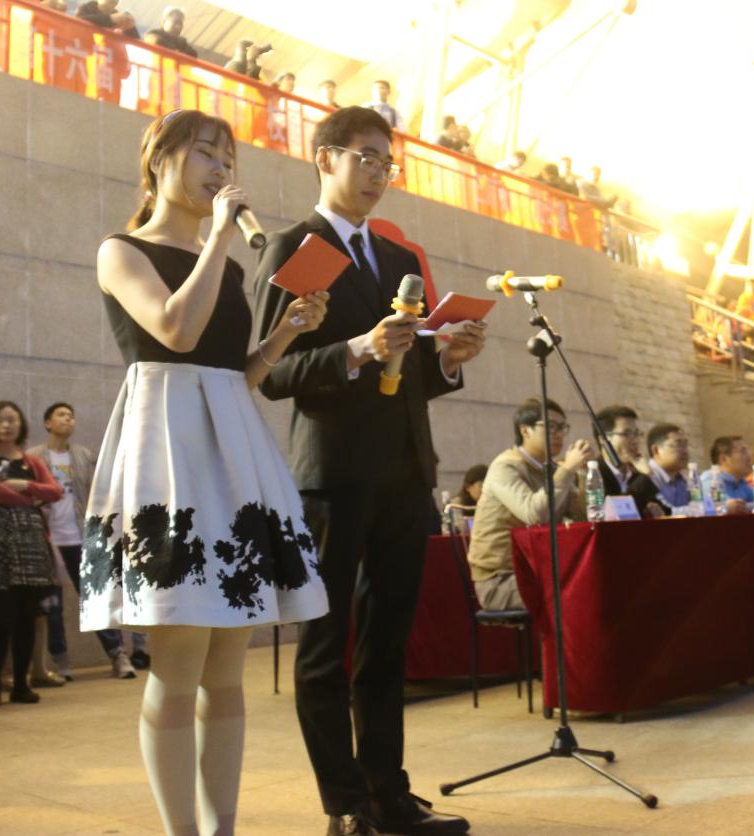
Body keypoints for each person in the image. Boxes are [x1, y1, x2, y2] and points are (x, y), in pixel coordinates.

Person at [83, 108, 330, 836]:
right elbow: (174, 330)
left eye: (228, 159)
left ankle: (222, 826)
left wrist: (283, 334)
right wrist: (219, 235)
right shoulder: (121, 251)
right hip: (169, 458)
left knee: (227, 668)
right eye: (205, 154)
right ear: (159, 159)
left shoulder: (224, 262)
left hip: (230, 455)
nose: (221, 170)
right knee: (179, 658)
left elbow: (232, 375)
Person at [253, 106, 486, 835]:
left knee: (388, 646)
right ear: (324, 158)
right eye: (366, 157)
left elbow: (409, 371)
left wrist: (448, 359)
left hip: (405, 472)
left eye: (388, 162)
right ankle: (345, 805)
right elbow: (272, 373)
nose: (379, 173)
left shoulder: (397, 258)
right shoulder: (302, 248)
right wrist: (357, 347)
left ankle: (390, 795)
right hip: (333, 474)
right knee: (326, 645)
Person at [27, 401, 141, 681]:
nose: (68, 419)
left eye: (71, 416)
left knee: (96, 598)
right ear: (47, 422)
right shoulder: (33, 457)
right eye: (61, 415)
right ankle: (61, 662)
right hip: (47, 538)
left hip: (80, 534)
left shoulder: (84, 456)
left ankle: (118, 655)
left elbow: (98, 493)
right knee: (52, 605)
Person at [0, 401, 63, 709]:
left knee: (27, 616)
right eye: (0, 420)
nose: (6, 425)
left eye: (11, 420)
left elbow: (55, 491)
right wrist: (28, 500)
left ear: (21, 424)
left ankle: (22, 684)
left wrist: (23, 484)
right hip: (0, 543)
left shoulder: (31, 462)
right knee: (2, 616)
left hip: (33, 543)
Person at [467, 399, 588, 611]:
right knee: (580, 591)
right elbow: (533, 514)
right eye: (551, 426)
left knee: (598, 577)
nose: (560, 434)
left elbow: (582, 518)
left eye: (563, 427)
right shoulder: (505, 467)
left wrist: (584, 474)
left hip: (541, 571)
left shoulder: (553, 469)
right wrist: (567, 469)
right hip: (502, 579)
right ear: (525, 430)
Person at [594, 405, 663, 517]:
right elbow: (615, 513)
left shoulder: (636, 474)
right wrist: (646, 476)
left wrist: (656, 510)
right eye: (626, 434)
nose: (635, 441)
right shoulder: (593, 474)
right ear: (603, 439)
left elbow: (664, 509)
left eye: (636, 434)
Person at [700, 436, 754, 514]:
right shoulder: (711, 480)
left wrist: (746, 506)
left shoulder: (741, 482)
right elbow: (719, 506)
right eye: (742, 451)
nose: (749, 456)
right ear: (723, 459)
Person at [645, 422, 690, 511]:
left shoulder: (682, 480)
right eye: (678, 445)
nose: (685, 451)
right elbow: (665, 512)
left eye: (685, 445)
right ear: (656, 450)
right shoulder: (646, 479)